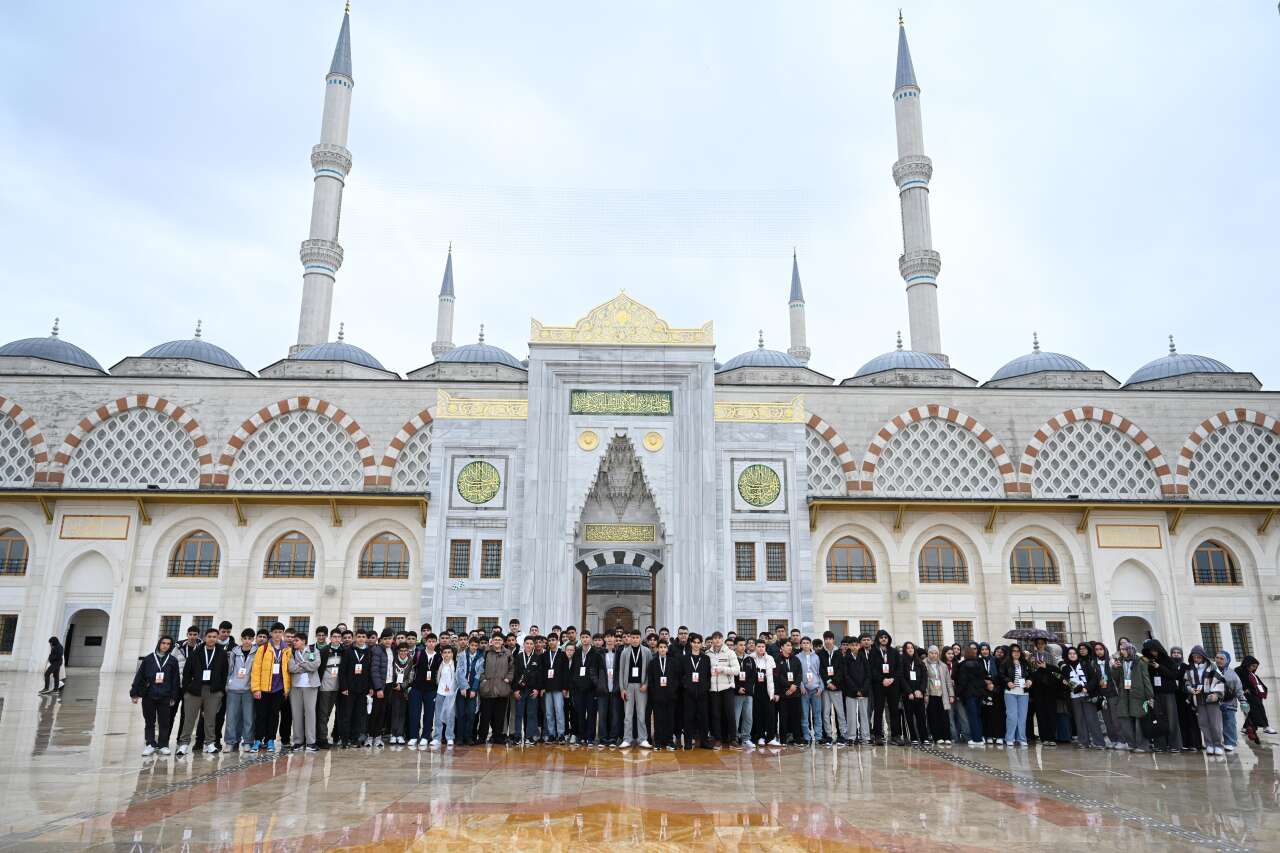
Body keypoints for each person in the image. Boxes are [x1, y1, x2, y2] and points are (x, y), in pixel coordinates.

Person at [177, 627, 229, 755]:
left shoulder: (221, 653)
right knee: (189, 719)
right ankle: (183, 744)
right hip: (194, 691)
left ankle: (210, 743)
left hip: (213, 691)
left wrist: (220, 690)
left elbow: (224, 673)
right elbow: (187, 672)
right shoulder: (196, 652)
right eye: (209, 636)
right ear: (205, 638)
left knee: (210, 718)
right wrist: (187, 690)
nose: (212, 639)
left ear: (217, 639)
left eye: (214, 637)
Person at [130, 635, 181, 756]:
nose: (165, 646)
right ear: (159, 643)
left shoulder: (173, 660)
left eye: (168, 644)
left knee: (164, 722)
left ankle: (163, 744)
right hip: (149, 695)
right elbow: (139, 677)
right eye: (163, 643)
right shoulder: (148, 659)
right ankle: (150, 744)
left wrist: (174, 696)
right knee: (149, 721)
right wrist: (134, 693)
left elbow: (175, 680)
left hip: (165, 696)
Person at [1110, 640, 1154, 752]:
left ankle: (1142, 745)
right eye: (1121, 650)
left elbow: (1146, 679)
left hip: (1138, 694)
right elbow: (1116, 679)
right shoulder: (1120, 661)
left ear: (1129, 650)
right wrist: (1114, 668)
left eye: (1124, 649)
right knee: (1125, 719)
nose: (1122, 652)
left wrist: (1150, 696)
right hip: (1124, 694)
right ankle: (1131, 743)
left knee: (1139, 719)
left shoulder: (1140, 661)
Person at [1141, 639, 1183, 753]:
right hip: (1156, 694)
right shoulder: (1148, 661)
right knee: (1158, 719)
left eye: (1154, 650)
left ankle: (1175, 744)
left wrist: (1159, 667)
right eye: (1150, 651)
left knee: (1171, 718)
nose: (1153, 653)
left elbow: (1173, 675)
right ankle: (1160, 744)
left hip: (1168, 693)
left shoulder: (1168, 660)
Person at [1062, 645, 1104, 749]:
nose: (1072, 655)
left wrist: (1086, 688)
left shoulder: (1085, 664)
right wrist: (1064, 682)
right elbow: (1065, 681)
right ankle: (1084, 742)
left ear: (1077, 654)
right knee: (1079, 720)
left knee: (1092, 719)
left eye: (1074, 653)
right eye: (1070, 654)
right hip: (1074, 697)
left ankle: (1099, 743)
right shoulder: (1065, 668)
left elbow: (1094, 679)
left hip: (1087, 695)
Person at [1185, 645, 1226, 754]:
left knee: (1215, 723)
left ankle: (1218, 745)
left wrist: (1216, 694)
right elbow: (1187, 682)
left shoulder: (1212, 667)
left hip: (1211, 699)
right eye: (1194, 657)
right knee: (1203, 723)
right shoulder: (1190, 669)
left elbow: (1220, 681)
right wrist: (1190, 689)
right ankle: (1209, 744)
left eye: (1198, 657)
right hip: (1198, 700)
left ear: (1203, 656)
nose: (1196, 659)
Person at [337, 629, 373, 747]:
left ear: (366, 638)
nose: (361, 638)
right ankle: (344, 739)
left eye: (363, 636)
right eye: (359, 636)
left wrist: (370, 687)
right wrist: (344, 687)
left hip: (363, 689)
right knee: (347, 715)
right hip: (349, 688)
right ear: (355, 638)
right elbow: (342, 671)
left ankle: (354, 738)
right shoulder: (348, 651)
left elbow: (370, 671)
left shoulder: (369, 652)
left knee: (358, 715)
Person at [287, 631, 321, 752]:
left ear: (303, 641)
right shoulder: (291, 652)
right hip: (296, 686)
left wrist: (301, 665)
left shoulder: (313, 650)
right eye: (293, 641)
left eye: (296, 640)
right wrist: (306, 666)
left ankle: (311, 742)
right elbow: (291, 668)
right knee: (296, 714)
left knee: (310, 714)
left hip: (311, 686)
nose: (294, 642)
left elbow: (316, 665)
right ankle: (298, 741)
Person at [619, 629, 652, 748]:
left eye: (637, 637)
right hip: (628, 686)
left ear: (640, 638)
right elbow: (621, 671)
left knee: (641, 714)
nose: (634, 639)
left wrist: (646, 684)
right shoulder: (625, 652)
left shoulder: (647, 652)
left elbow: (649, 671)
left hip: (641, 686)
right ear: (630, 638)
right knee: (627, 714)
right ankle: (627, 738)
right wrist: (622, 689)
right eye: (632, 637)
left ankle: (642, 738)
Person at [225, 629, 257, 753]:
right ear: (241, 639)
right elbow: (229, 669)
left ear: (253, 640)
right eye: (245, 638)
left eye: (250, 638)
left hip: (249, 689)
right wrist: (228, 684)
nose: (247, 641)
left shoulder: (257, 652)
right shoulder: (234, 652)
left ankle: (248, 742)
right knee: (232, 717)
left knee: (248, 717)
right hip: (234, 688)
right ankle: (230, 742)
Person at [705, 631, 737, 749]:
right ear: (712, 640)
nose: (717, 640)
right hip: (713, 689)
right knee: (715, 715)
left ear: (722, 639)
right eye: (715, 638)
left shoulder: (730, 653)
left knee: (730, 714)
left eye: (719, 638)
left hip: (727, 688)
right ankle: (717, 739)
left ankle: (733, 738)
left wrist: (723, 669)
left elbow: (736, 670)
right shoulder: (707, 653)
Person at [407, 634, 440, 747]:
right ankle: (413, 736)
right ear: (425, 642)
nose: (431, 643)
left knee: (429, 714)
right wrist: (410, 685)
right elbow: (411, 668)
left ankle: (425, 736)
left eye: (433, 641)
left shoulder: (439, 656)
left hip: (431, 689)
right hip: (417, 688)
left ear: (436, 643)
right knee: (414, 713)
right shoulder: (419, 653)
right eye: (429, 641)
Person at [869, 630, 901, 745]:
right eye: (881, 637)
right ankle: (878, 735)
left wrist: (892, 679)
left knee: (894, 710)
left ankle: (895, 735)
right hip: (879, 685)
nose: (883, 639)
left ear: (888, 639)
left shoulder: (894, 652)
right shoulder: (873, 652)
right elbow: (872, 669)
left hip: (893, 685)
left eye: (886, 637)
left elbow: (899, 669)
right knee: (878, 710)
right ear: (878, 639)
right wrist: (882, 679)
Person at [681, 633, 712, 749]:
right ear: (691, 643)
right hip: (688, 694)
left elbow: (708, 675)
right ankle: (688, 741)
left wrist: (706, 687)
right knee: (689, 718)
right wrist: (686, 686)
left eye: (699, 643)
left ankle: (704, 741)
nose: (696, 645)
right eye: (694, 642)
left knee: (703, 717)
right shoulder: (685, 658)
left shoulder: (705, 658)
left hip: (702, 693)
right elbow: (681, 675)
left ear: (701, 644)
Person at [647, 639, 679, 750]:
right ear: (657, 649)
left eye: (664, 647)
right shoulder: (653, 662)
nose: (662, 649)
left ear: (667, 649)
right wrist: (654, 692)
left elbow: (676, 678)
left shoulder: (673, 662)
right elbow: (650, 680)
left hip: (670, 695)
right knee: (658, 719)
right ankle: (658, 741)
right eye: (660, 647)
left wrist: (673, 691)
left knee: (670, 718)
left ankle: (669, 741)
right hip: (657, 696)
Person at [592, 633, 622, 747]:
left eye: (612, 637)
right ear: (605, 639)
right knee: (602, 715)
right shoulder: (598, 654)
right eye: (607, 637)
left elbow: (622, 671)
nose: (610, 639)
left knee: (615, 715)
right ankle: (603, 738)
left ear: (615, 639)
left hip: (615, 689)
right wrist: (598, 684)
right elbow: (593, 671)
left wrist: (619, 686)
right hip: (602, 689)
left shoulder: (619, 654)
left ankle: (613, 738)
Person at [512, 636, 544, 745]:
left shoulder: (537, 658)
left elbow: (540, 675)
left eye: (531, 644)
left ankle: (529, 736)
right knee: (519, 714)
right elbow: (515, 675)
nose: (529, 645)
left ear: (534, 645)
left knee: (531, 714)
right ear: (524, 645)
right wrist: (515, 689)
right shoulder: (519, 657)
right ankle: (517, 736)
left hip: (532, 691)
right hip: (520, 690)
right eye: (527, 643)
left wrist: (537, 689)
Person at [1235, 655, 1273, 743]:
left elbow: (1259, 683)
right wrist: (1244, 689)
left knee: (1253, 711)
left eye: (1255, 667)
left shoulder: (1251, 674)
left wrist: (1263, 691)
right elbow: (1237, 681)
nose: (1253, 668)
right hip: (1245, 695)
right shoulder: (1238, 670)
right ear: (1247, 664)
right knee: (1253, 710)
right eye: (1252, 666)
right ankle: (1265, 726)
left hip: (1254, 694)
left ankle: (1245, 728)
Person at [843, 635, 872, 745]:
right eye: (852, 645)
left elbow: (868, 675)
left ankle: (866, 736)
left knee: (864, 714)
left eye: (856, 645)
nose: (854, 647)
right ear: (849, 646)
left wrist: (863, 689)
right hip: (851, 692)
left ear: (859, 646)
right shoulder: (846, 658)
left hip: (864, 691)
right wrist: (855, 690)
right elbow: (846, 676)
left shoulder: (863, 657)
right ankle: (851, 737)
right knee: (851, 715)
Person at [456, 636, 485, 746]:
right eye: (472, 645)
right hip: (462, 689)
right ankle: (459, 737)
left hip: (473, 690)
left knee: (471, 714)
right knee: (461, 714)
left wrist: (473, 689)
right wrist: (463, 687)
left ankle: (468, 737)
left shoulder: (481, 658)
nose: (473, 647)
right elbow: (459, 672)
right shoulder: (461, 655)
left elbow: (478, 674)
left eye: (476, 646)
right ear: (469, 644)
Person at [817, 632, 844, 745]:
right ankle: (828, 735)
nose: (828, 641)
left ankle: (842, 734)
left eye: (830, 639)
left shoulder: (839, 653)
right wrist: (828, 682)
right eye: (826, 639)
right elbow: (821, 670)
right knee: (826, 713)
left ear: (833, 640)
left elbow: (841, 670)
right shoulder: (820, 654)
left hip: (837, 688)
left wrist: (835, 683)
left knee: (840, 712)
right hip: (826, 688)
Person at [316, 628, 342, 748]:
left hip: (337, 687)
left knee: (330, 713)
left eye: (338, 637)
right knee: (323, 713)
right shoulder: (324, 650)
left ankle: (324, 736)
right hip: (324, 687)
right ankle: (321, 738)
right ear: (330, 638)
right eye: (334, 636)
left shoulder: (344, 650)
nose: (336, 639)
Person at [898, 641, 928, 744]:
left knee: (921, 716)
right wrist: (909, 692)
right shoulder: (902, 662)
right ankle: (913, 737)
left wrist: (921, 690)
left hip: (919, 693)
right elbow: (901, 678)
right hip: (908, 694)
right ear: (905, 650)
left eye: (912, 648)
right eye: (908, 648)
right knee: (909, 717)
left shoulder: (920, 662)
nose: (910, 649)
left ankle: (924, 737)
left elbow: (925, 678)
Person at [796, 636, 824, 746]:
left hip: (815, 689)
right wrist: (801, 685)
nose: (806, 644)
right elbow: (797, 674)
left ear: (811, 645)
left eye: (808, 643)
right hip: (804, 690)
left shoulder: (816, 657)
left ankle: (818, 736)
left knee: (817, 714)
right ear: (801, 645)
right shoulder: (797, 657)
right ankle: (807, 737)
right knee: (804, 714)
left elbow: (819, 673)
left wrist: (821, 687)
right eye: (804, 643)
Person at [1001, 644, 1031, 747]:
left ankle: (1022, 738)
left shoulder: (1025, 663)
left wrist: (1029, 681)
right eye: (1014, 651)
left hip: (1023, 693)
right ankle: (1010, 738)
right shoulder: (1005, 663)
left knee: (1022, 717)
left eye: (1018, 651)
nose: (1016, 653)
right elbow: (1001, 675)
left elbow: (1030, 675)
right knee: (1012, 716)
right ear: (1010, 652)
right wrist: (1008, 682)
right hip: (1010, 693)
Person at [749, 640, 777, 746]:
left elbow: (775, 676)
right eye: (759, 646)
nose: (761, 648)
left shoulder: (770, 659)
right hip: (756, 689)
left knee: (770, 714)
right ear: (755, 647)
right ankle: (760, 736)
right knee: (758, 714)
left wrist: (775, 692)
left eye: (763, 646)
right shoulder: (750, 658)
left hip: (768, 689)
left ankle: (770, 737)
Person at [924, 645, 954, 744]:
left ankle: (947, 737)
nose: (933, 655)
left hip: (942, 694)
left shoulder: (943, 665)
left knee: (944, 716)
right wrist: (925, 694)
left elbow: (948, 681)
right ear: (928, 654)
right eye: (931, 653)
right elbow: (923, 680)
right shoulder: (923, 664)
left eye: (935, 653)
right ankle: (937, 737)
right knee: (933, 716)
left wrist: (951, 695)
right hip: (931, 694)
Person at [431, 645, 459, 747]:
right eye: (445, 652)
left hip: (451, 694)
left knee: (450, 716)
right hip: (440, 693)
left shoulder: (455, 664)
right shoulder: (439, 664)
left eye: (449, 652)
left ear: (452, 654)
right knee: (438, 716)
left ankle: (450, 737)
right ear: (442, 654)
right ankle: (437, 737)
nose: (447, 654)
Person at [1216, 650, 1243, 752]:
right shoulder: (1212, 671)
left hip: (1229, 703)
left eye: (1221, 658)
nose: (1218, 660)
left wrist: (1243, 701)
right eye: (1217, 658)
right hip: (1215, 703)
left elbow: (1238, 688)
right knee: (1216, 724)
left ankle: (1230, 742)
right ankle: (1218, 742)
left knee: (1229, 723)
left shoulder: (1232, 673)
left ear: (1227, 661)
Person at [732, 637, 754, 747]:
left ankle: (746, 738)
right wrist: (738, 688)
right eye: (740, 645)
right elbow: (731, 676)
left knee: (748, 716)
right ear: (735, 646)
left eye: (744, 645)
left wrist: (747, 689)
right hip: (736, 693)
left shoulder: (749, 659)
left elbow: (752, 677)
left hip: (748, 693)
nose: (743, 647)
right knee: (736, 717)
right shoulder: (731, 658)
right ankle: (735, 737)